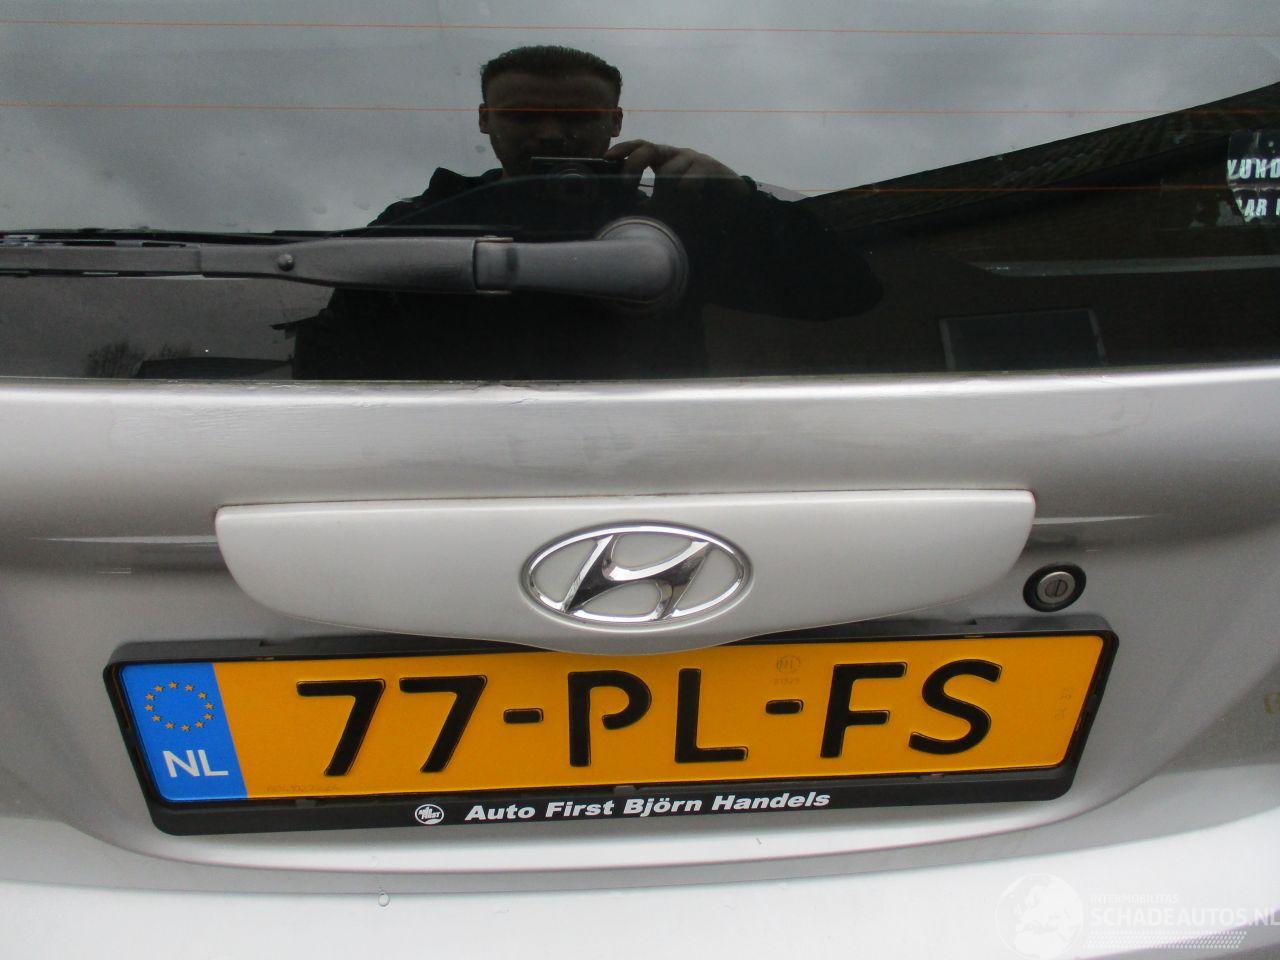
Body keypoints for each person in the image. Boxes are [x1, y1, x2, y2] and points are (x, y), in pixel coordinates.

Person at [293, 45, 880, 380]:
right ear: (485, 120)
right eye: (523, 117)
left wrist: (738, 199)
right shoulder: (425, 220)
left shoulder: (680, 218)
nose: (552, 134)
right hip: (462, 458)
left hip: (652, 460)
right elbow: (335, 360)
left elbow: (844, 293)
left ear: (615, 122)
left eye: (578, 117)